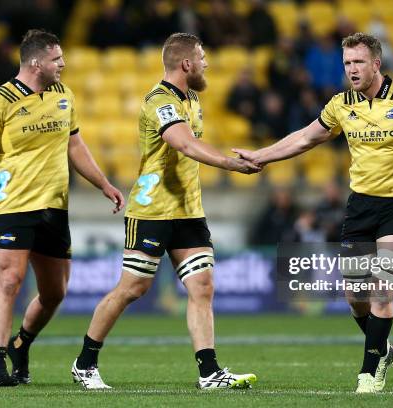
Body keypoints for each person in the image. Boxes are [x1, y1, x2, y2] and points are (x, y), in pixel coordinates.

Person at [233, 32, 393, 393]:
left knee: (382, 290)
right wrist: (261, 156)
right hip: (360, 206)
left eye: (358, 62)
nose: (352, 69)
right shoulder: (340, 104)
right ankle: (383, 348)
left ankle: (369, 373)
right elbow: (305, 138)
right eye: (347, 63)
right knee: (355, 297)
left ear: (376, 63)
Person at [71, 32, 259, 390]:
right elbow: (183, 143)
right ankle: (85, 362)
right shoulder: (159, 100)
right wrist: (230, 165)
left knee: (202, 286)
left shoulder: (192, 99)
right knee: (132, 288)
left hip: (188, 210)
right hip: (153, 209)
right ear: (186, 63)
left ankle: (209, 373)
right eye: (202, 58)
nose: (207, 64)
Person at [0, 29, 125, 387]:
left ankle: (21, 345)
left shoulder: (63, 95)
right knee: (9, 281)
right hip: (13, 207)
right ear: (37, 62)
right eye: (57, 59)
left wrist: (104, 183)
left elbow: (76, 146)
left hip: (54, 207)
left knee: (55, 293)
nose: (63, 64)